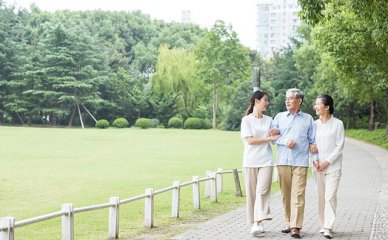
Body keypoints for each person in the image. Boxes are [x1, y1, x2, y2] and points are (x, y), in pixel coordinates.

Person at [271, 88, 316, 239]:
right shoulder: (279, 117)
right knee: (286, 195)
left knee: (298, 194)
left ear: (299, 101)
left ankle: (296, 227)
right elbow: (273, 137)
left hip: (301, 162)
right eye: (286, 98)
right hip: (283, 161)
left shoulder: (308, 119)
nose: (287, 101)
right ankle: (289, 222)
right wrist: (285, 141)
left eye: (290, 98)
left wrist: (313, 149)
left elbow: (312, 140)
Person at [240, 90, 279, 236]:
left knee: (262, 192)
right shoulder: (246, 120)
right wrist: (268, 138)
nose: (267, 103)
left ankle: (257, 222)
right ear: (256, 101)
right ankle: (256, 222)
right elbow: (249, 140)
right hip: (250, 162)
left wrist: (274, 134)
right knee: (252, 195)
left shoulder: (269, 120)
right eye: (265, 100)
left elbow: (274, 140)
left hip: (266, 161)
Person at [312, 95, 345, 239]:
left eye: (318, 104)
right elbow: (311, 146)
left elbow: (339, 146)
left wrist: (327, 161)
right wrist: (315, 161)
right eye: (315, 104)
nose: (316, 106)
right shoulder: (314, 124)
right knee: (321, 197)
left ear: (327, 107)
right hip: (317, 167)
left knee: (330, 196)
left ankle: (328, 227)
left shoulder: (338, 124)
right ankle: (323, 223)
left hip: (333, 167)